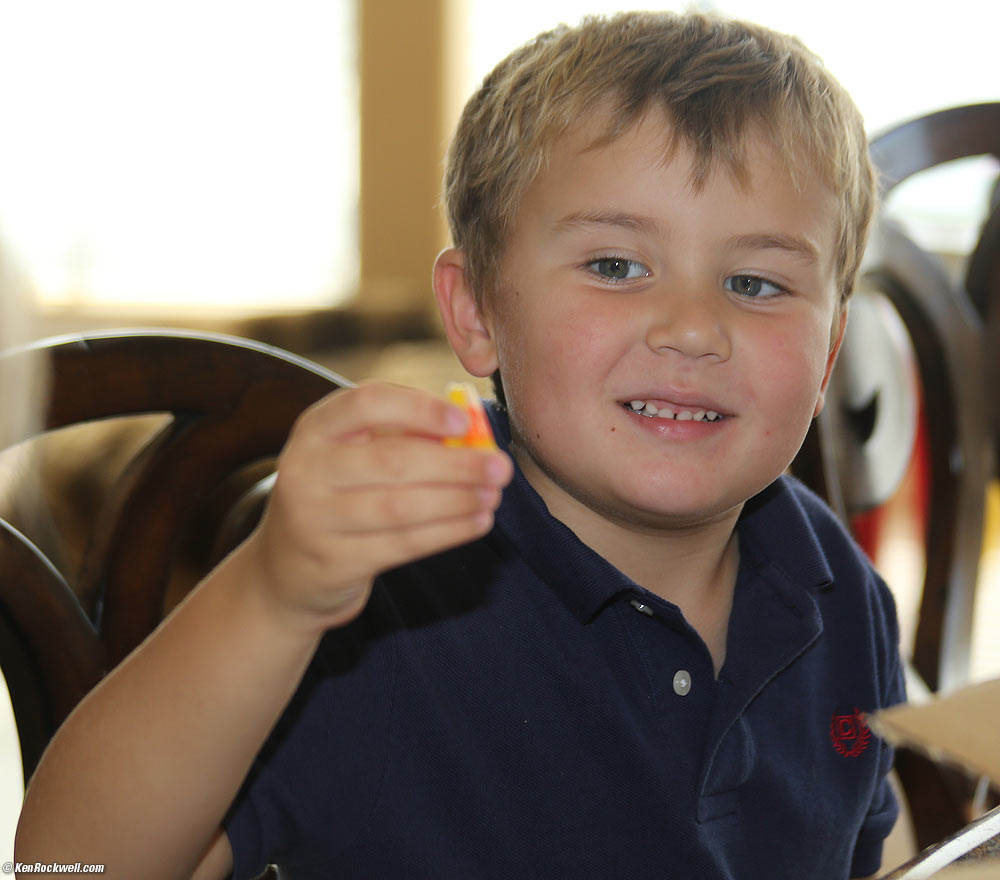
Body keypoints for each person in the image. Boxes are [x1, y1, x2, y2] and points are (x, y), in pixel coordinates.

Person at [14, 10, 904, 879]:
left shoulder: (834, 585)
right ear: (476, 312)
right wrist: (273, 598)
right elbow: (71, 865)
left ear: (828, 354)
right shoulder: (387, 605)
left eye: (755, 282)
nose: (692, 328)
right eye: (615, 266)